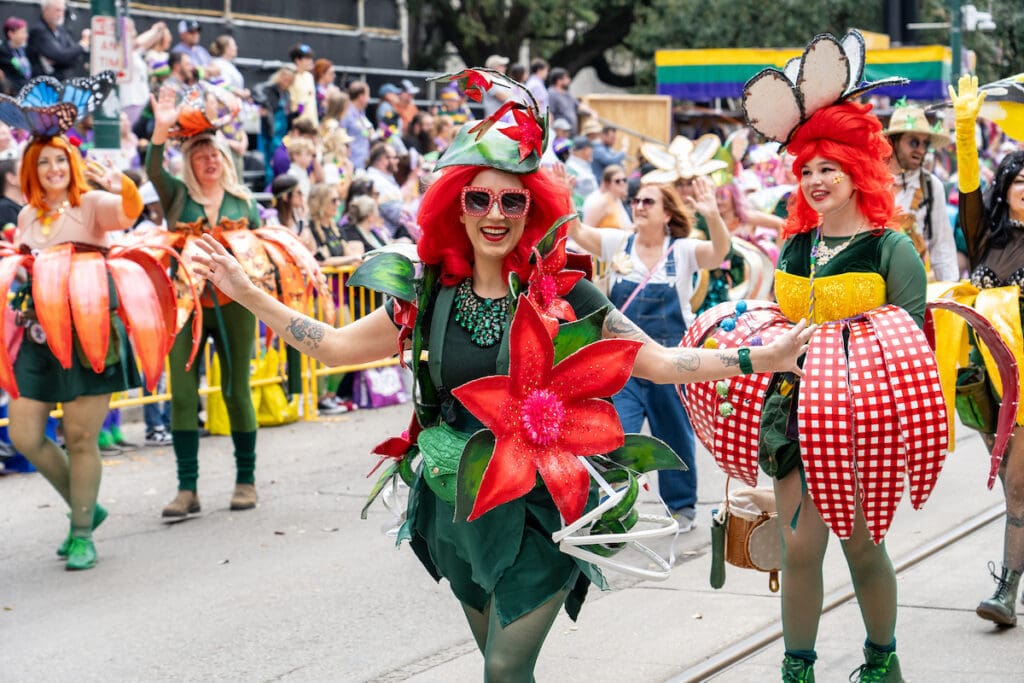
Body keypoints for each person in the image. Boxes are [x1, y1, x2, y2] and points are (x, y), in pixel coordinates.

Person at [188, 66, 812, 681]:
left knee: (506, 668)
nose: (494, 212)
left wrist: (761, 357)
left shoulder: (567, 295)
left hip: (543, 509)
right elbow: (331, 346)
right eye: (478, 197)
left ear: (531, 210)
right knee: (500, 669)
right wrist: (246, 292)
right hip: (455, 511)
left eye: (512, 199)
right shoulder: (424, 295)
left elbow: (657, 359)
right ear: (453, 208)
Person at [731, 31, 950, 681]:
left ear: (859, 167)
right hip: (793, 413)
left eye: (829, 166)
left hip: (861, 420)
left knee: (860, 544)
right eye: (806, 169)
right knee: (799, 546)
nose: (816, 179)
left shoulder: (891, 248)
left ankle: (882, 660)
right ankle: (797, 668)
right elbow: (775, 317)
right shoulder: (795, 245)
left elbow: (912, 342)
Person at [4, 74, 152, 570]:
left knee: (82, 436)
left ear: (72, 165)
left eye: (59, 160)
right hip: (38, 338)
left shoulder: (91, 205)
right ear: (31, 168)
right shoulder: (26, 218)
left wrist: (121, 185)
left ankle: (82, 529)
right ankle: (86, 500)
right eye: (42, 161)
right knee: (25, 435)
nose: (52, 168)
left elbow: (126, 213)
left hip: (91, 331)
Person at [570, 177, 729, 528]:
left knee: (674, 435)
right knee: (616, 435)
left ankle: (682, 508)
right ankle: (614, 507)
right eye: (636, 200)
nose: (638, 206)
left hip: (671, 361)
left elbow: (719, 252)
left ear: (667, 213)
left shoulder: (683, 250)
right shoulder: (617, 242)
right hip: (622, 363)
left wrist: (712, 215)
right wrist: (566, 196)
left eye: (648, 202)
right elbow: (578, 232)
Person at [145, 84, 264, 517]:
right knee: (181, 394)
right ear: (190, 163)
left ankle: (246, 480)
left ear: (224, 159)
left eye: (214, 153)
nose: (209, 160)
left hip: (234, 306)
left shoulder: (244, 201)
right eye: (199, 155)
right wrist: (160, 130)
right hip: (185, 307)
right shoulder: (177, 197)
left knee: (236, 391)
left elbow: (259, 256)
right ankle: (186, 489)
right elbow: (153, 168)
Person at [948, 76, 1024, 627]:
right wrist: (965, 129)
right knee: (1012, 484)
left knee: (1018, 486)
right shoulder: (984, 236)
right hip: (979, 379)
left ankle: (1007, 591)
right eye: (1019, 181)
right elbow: (968, 190)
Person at [883, 102, 960, 282]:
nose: (921, 149)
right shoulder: (868, 181)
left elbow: (942, 246)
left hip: (912, 286)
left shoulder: (932, 186)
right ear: (893, 143)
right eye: (914, 142)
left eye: (925, 144)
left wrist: (950, 296)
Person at [27, 0, 88, 80]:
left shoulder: (60, 29)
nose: (60, 14)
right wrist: (82, 44)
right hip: (43, 85)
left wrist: (61, 58)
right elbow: (61, 55)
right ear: (46, 10)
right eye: (57, 10)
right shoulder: (38, 31)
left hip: (61, 81)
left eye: (63, 10)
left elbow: (75, 57)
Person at [581, 164, 631, 230]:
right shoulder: (601, 202)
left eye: (624, 180)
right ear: (607, 184)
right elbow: (586, 230)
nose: (622, 183)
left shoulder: (616, 199)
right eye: (617, 181)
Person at [0, 16, 32, 94]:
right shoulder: (3, 50)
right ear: (11, 34)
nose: (26, 36)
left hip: (24, 91)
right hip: (10, 95)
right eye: (22, 32)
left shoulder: (23, 50)